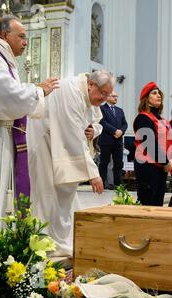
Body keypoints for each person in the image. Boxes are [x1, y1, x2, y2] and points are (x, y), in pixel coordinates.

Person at [0, 16, 59, 234]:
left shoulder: (1, 59)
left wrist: (33, 91)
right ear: (5, 35)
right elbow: (6, 96)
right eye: (22, 36)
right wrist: (38, 90)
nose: (26, 42)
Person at [27, 70, 112, 256]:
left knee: (63, 197)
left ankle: (58, 240)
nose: (105, 99)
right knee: (47, 194)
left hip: (64, 146)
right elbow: (73, 134)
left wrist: (93, 130)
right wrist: (93, 173)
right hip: (45, 144)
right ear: (91, 85)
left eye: (108, 94)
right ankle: (43, 243)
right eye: (103, 93)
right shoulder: (71, 91)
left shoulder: (88, 95)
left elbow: (95, 121)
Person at [134, 82, 172, 206]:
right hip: (147, 167)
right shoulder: (143, 118)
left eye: (159, 93)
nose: (159, 96)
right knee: (148, 204)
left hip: (160, 167)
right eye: (154, 93)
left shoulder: (163, 120)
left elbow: (170, 141)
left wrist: (171, 159)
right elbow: (150, 144)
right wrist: (166, 162)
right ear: (146, 99)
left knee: (158, 204)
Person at [98, 90, 128, 189]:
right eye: (113, 96)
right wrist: (115, 131)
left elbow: (125, 124)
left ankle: (117, 184)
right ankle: (103, 183)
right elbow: (102, 122)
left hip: (118, 141)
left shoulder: (120, 110)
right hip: (106, 141)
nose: (116, 98)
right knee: (104, 163)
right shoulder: (101, 108)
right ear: (107, 97)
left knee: (118, 164)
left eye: (116, 96)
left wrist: (121, 132)